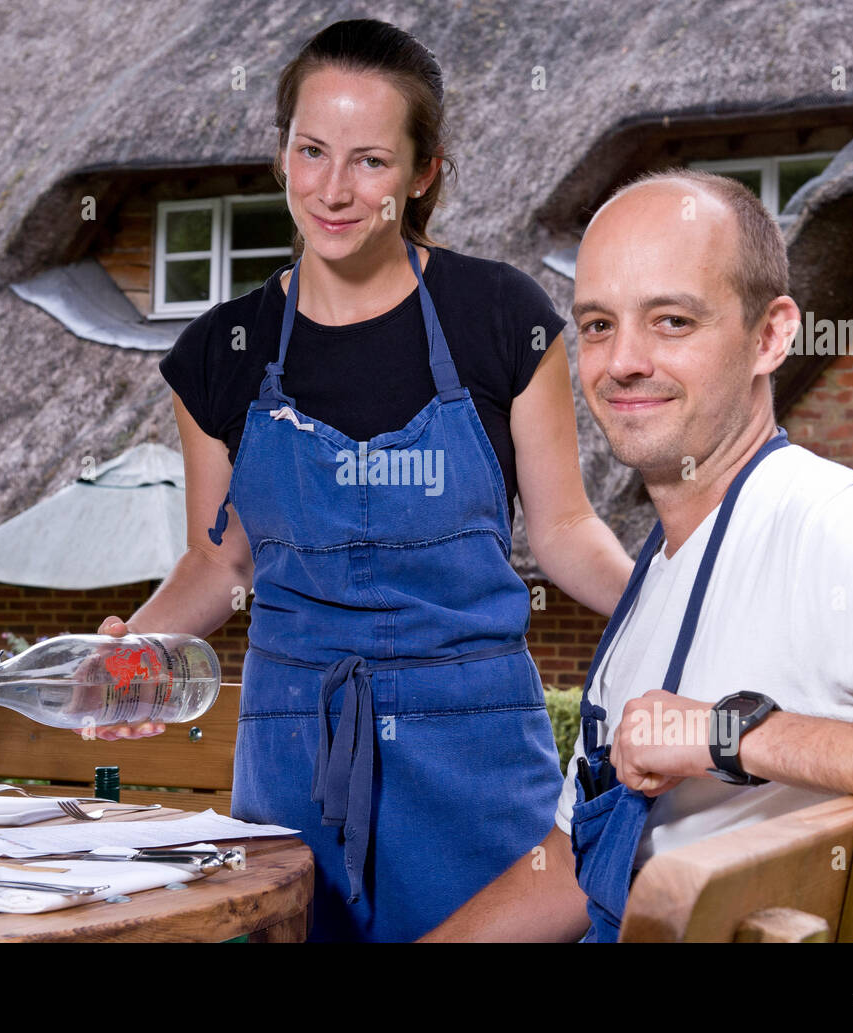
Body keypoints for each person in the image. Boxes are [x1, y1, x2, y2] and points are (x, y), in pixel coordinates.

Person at [93, 18, 634, 942]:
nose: (334, 191)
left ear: (423, 174)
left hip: (478, 759)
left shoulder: (503, 317)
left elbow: (564, 530)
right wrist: (125, 655)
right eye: (311, 151)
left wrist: (674, 608)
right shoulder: (221, 352)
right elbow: (220, 567)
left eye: (371, 161)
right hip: (292, 764)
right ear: (281, 154)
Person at [422, 168, 853, 942]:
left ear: (772, 335)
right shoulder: (653, 579)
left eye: (673, 320)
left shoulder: (839, 527)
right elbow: (583, 862)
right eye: (599, 324)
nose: (623, 362)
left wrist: (733, 734)